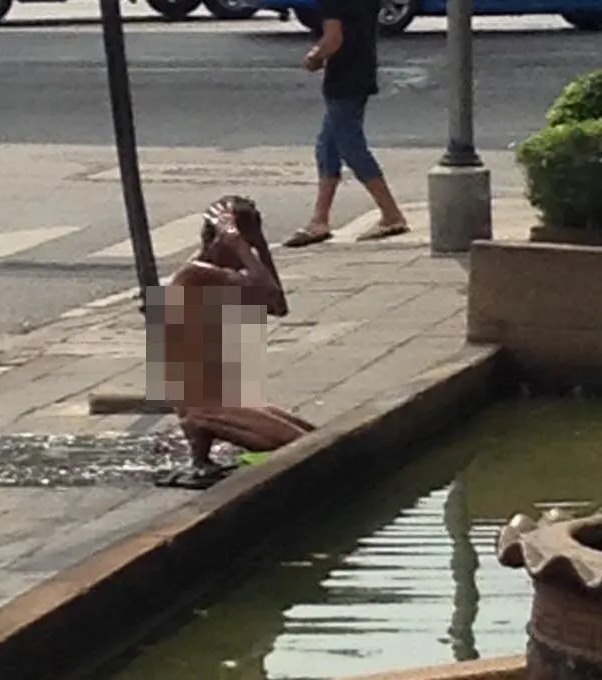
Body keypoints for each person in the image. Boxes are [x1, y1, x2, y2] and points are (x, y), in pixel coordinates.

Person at [151, 196, 316, 474]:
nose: (246, 256)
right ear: (221, 241)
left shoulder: (218, 272)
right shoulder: (195, 274)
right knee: (303, 447)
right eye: (243, 246)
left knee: (317, 437)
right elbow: (269, 291)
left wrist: (261, 245)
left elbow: (278, 306)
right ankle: (200, 427)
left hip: (226, 395)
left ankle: (203, 438)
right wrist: (239, 244)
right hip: (204, 404)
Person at [283, 0, 409, 248]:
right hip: (363, 70)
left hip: (343, 77)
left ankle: (391, 214)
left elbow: (333, 39)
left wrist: (314, 57)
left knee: (351, 147)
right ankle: (319, 219)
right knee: (328, 147)